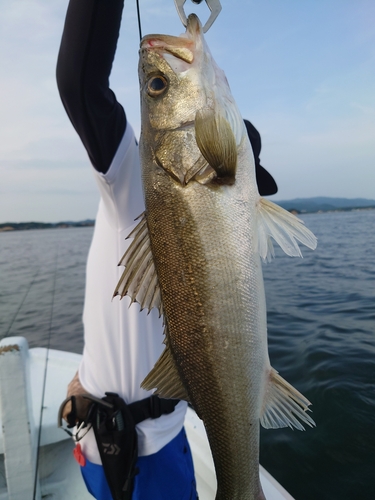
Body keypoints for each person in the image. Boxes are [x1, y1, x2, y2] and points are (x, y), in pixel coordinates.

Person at [56, 1, 277, 499]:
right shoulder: (128, 176)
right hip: (91, 436)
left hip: (158, 454)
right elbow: (80, 84)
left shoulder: (230, 216)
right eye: (157, 87)